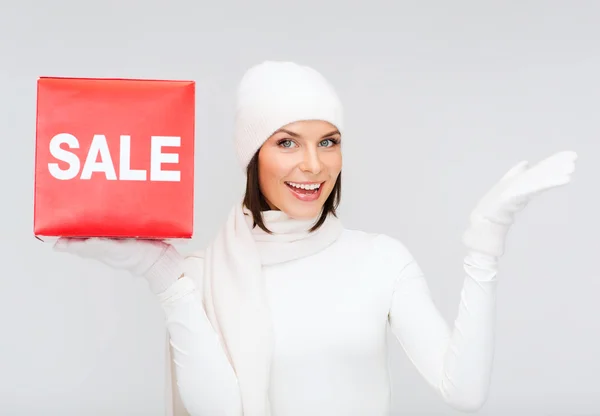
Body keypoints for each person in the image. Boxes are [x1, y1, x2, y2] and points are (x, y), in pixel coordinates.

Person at [54, 61, 578, 416]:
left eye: (328, 141)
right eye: (287, 142)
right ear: (252, 156)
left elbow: (463, 391)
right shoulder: (201, 275)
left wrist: (484, 246)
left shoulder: (380, 260)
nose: (313, 164)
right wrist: (163, 278)